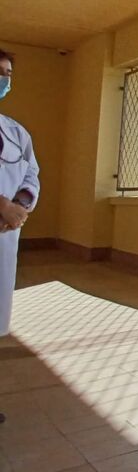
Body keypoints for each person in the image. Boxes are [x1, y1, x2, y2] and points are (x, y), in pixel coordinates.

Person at [0, 49, 40, 427]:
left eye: (8, 73)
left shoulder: (15, 132)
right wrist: (2, 205)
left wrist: (20, 207)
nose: (4, 79)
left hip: (5, 234)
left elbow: (31, 175)